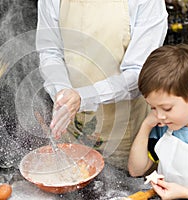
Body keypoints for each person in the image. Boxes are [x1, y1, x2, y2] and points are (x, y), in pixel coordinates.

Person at [36, 0, 168, 169]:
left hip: (124, 128)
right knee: (72, 176)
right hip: (70, 124)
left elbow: (139, 73)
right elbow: (50, 51)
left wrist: (83, 97)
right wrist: (62, 92)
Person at [128, 44, 188, 199]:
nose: (160, 116)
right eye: (153, 108)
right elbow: (136, 170)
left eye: (167, 108)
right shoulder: (164, 126)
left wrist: (184, 193)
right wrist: (146, 126)